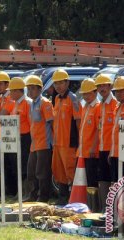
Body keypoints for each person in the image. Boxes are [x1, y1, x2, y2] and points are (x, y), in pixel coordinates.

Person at [52, 69, 81, 204]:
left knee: (70, 171)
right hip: (58, 143)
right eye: (56, 83)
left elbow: (78, 121)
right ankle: (62, 198)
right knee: (59, 172)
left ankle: (72, 199)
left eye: (60, 83)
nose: (58, 86)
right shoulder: (57, 98)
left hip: (69, 143)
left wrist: (79, 142)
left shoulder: (73, 98)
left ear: (67, 83)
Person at [25, 75, 53, 202]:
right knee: (31, 171)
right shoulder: (32, 104)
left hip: (44, 144)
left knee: (41, 173)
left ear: (39, 89)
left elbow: (51, 123)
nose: (29, 91)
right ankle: (33, 195)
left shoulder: (45, 103)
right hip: (34, 144)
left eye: (32, 89)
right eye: (28, 89)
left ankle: (43, 197)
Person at [94, 74, 118, 211]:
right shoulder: (100, 105)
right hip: (102, 148)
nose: (101, 88)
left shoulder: (115, 104)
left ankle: (112, 210)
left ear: (110, 87)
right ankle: (104, 208)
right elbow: (99, 128)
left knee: (112, 179)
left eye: (104, 85)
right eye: (99, 86)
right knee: (102, 178)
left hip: (112, 149)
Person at [6, 77, 32, 196]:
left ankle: (26, 191)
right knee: (16, 166)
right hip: (15, 138)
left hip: (25, 138)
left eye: (11, 91)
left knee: (24, 166)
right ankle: (19, 191)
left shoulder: (27, 103)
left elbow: (32, 123)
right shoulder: (15, 104)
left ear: (17, 91)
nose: (9, 93)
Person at [77, 79, 100, 188]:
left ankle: (93, 203)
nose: (86, 96)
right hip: (83, 150)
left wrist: (93, 147)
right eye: (84, 94)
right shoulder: (85, 107)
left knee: (92, 179)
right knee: (84, 180)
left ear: (95, 92)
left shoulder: (98, 107)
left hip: (91, 152)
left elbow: (98, 129)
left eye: (88, 93)